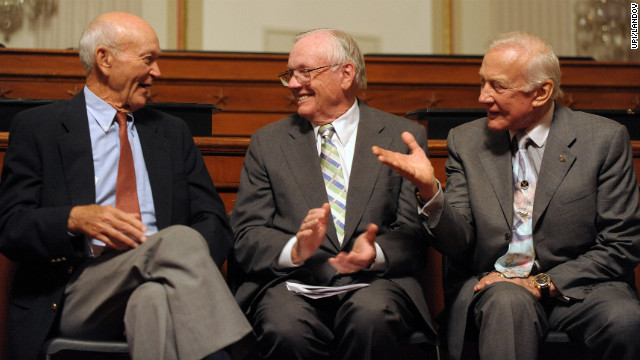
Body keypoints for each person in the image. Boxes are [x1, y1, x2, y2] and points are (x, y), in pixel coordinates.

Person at [373, 31, 640, 360]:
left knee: (626, 319)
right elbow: (458, 243)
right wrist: (431, 192)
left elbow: (621, 243)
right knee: (507, 302)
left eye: (497, 86)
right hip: (497, 285)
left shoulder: (603, 140)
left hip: (584, 284)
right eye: (482, 83)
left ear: (541, 92)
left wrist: (543, 282)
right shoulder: (467, 141)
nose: (483, 97)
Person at [0, 12, 252, 360]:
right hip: (79, 290)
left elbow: (213, 221)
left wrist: (177, 266)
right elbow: (12, 227)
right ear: (104, 59)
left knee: (153, 300)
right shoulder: (39, 128)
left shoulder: (172, 132)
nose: (158, 73)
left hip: (164, 284)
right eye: (148, 59)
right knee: (178, 239)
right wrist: (74, 219)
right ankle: (237, 351)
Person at [229, 28, 438, 360]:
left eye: (305, 72)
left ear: (346, 74)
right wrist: (294, 249)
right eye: (289, 74)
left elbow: (413, 234)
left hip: (373, 282)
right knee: (284, 327)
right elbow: (247, 234)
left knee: (371, 316)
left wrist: (373, 253)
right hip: (292, 281)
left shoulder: (401, 136)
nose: (294, 84)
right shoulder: (268, 143)